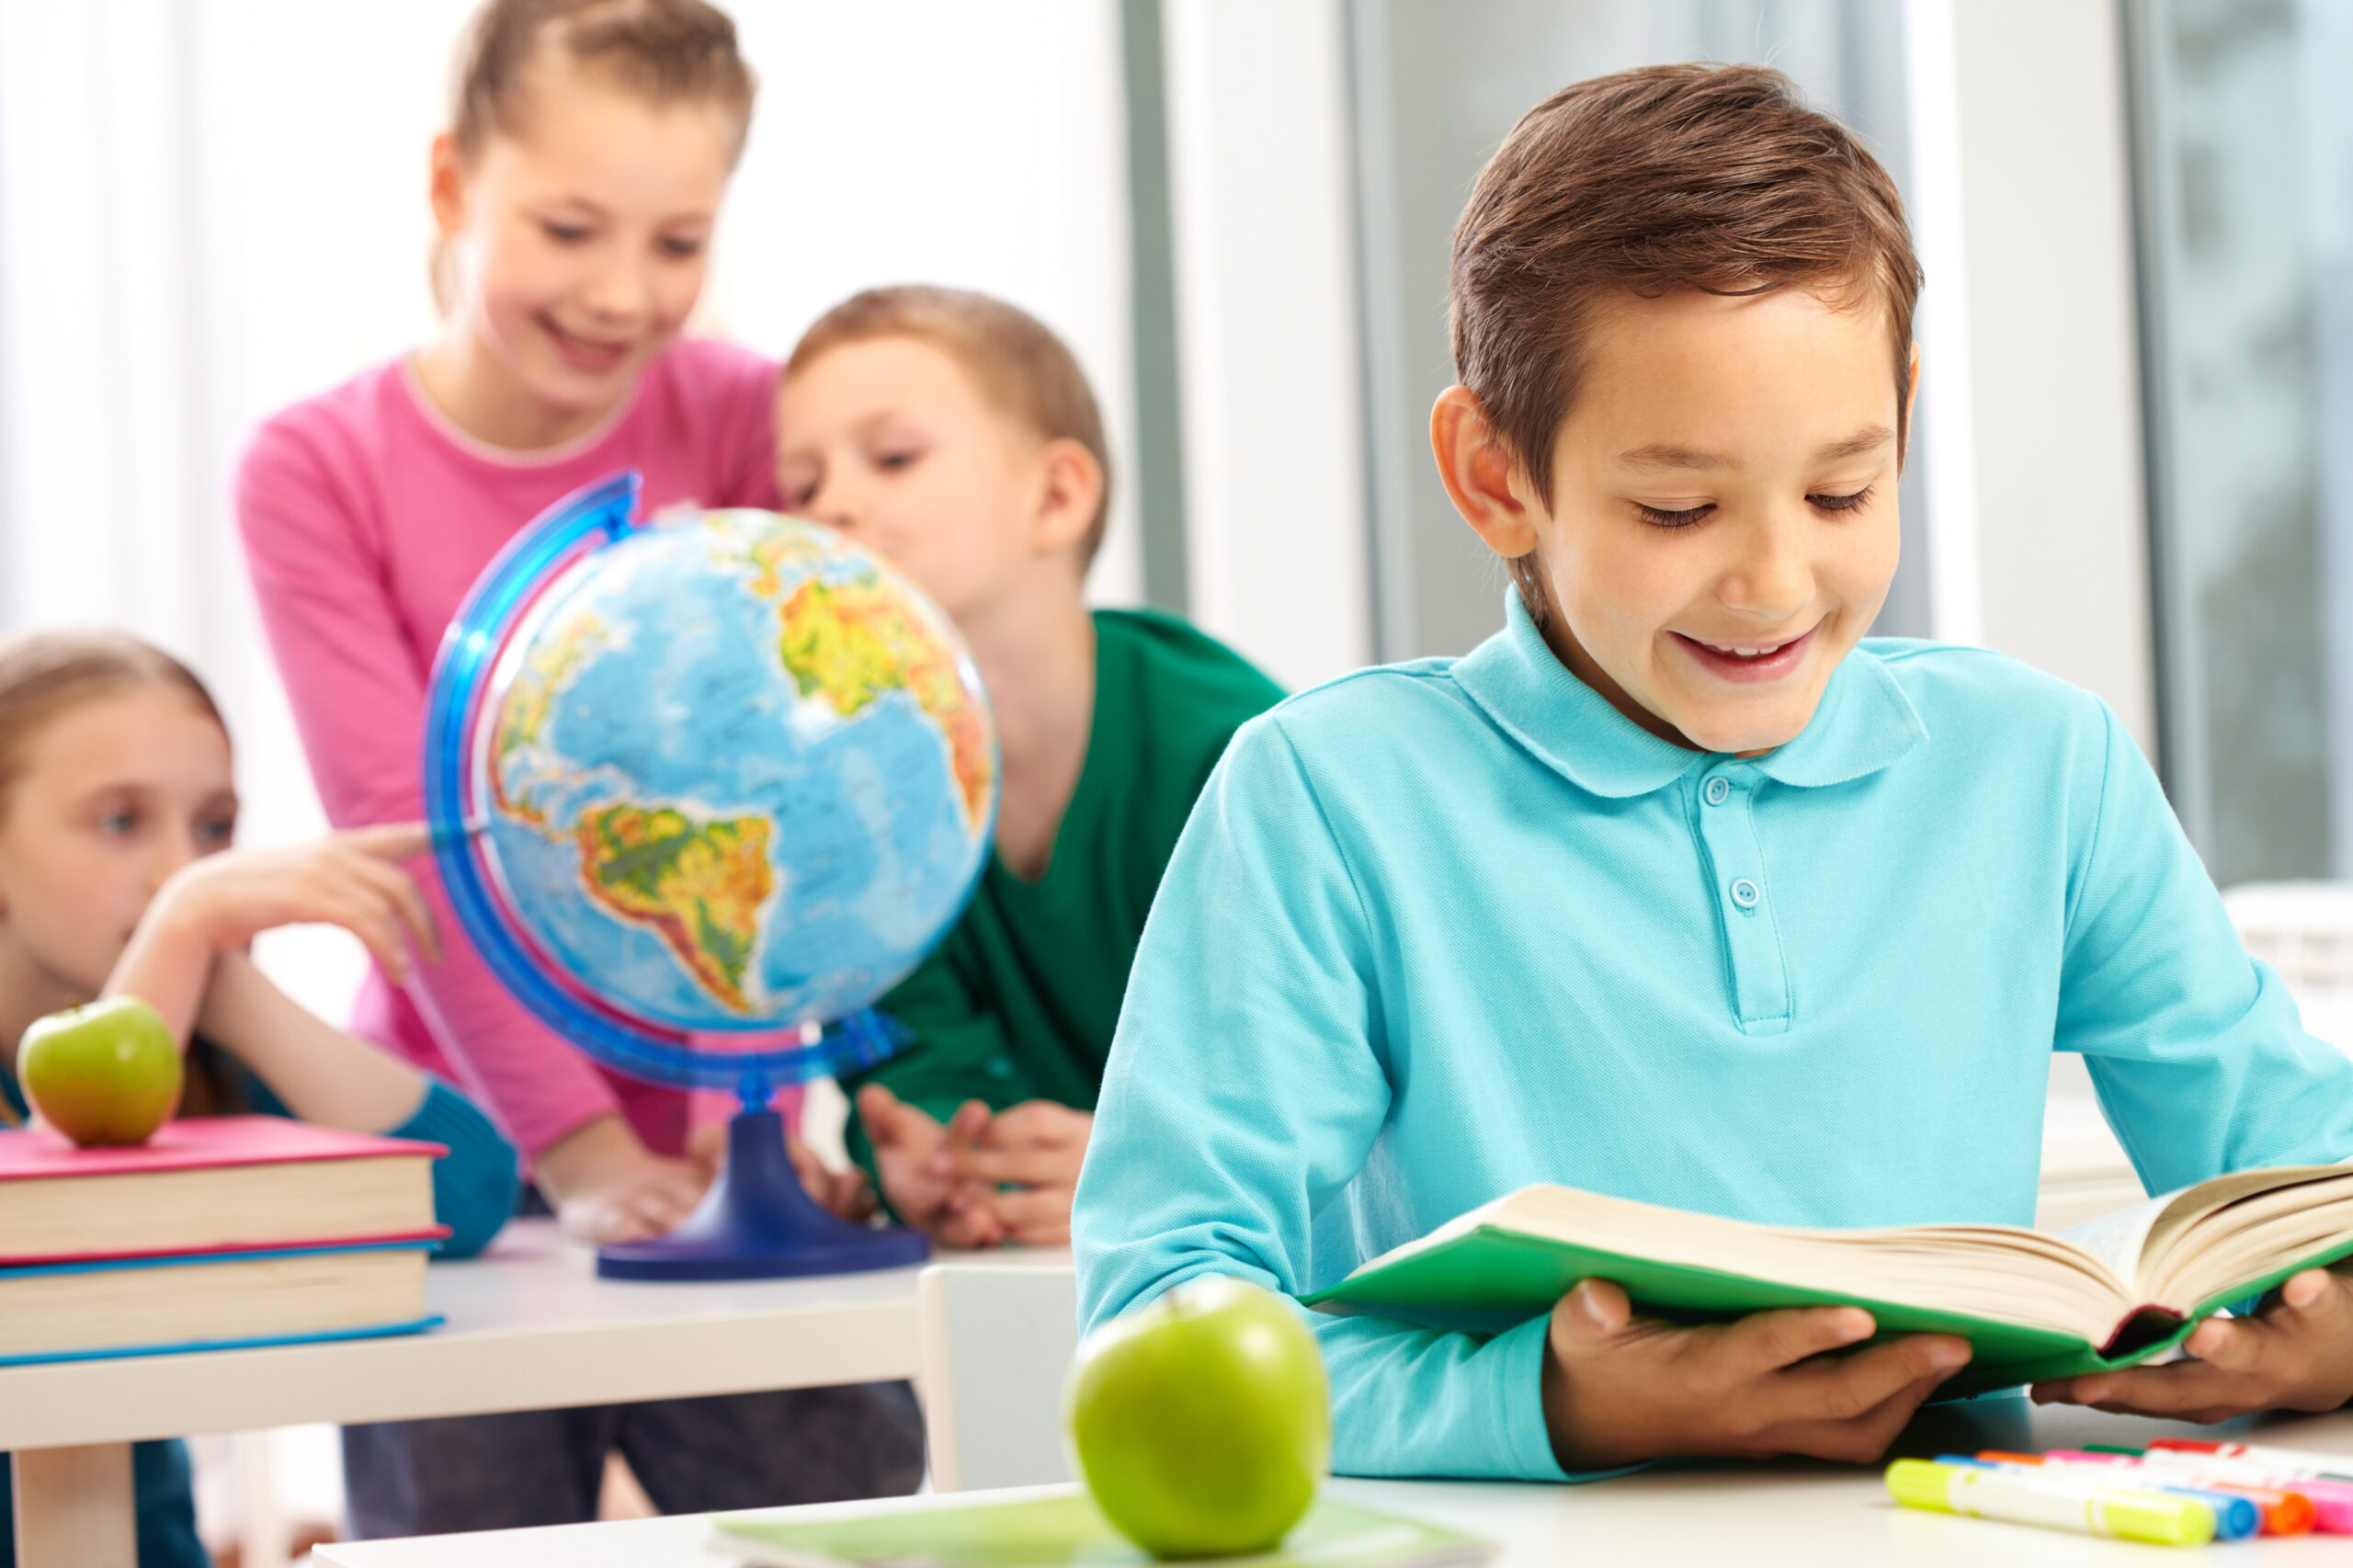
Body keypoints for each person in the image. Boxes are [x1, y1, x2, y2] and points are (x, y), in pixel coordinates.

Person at [1072, 62, 2353, 1483]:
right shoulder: (1328, 797)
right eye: (1676, 506)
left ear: (1905, 418)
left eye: (1841, 491)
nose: (1771, 579)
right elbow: (1151, 1322)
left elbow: (2305, 1165)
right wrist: (1562, 1403)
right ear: (1497, 476)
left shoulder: (2041, 764)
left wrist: (2337, 1324)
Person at [234, 0, 920, 1534]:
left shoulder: (753, 414)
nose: (622, 294)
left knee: (845, 1523)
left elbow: (856, 753)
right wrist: (584, 1145)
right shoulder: (316, 472)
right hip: (457, 1157)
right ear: (448, 187)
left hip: (728, 1147)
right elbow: (409, 847)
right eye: (568, 227)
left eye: (678, 242)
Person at [773, 287, 1284, 1247]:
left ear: (1055, 496)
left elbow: (1331, 1088)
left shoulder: (1236, 753)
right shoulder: (849, 811)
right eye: (801, 486)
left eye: (892, 457)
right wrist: (927, 1160)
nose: (830, 507)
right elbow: (915, 1066)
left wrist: (1157, 1166)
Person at [0, 631, 520, 1568]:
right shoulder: (174, 949)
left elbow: (472, 1196)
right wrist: (186, 921)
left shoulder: (200, 1038)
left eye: (212, 828)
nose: (178, 867)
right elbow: (53, 1227)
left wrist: (214, 965)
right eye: (120, 821)